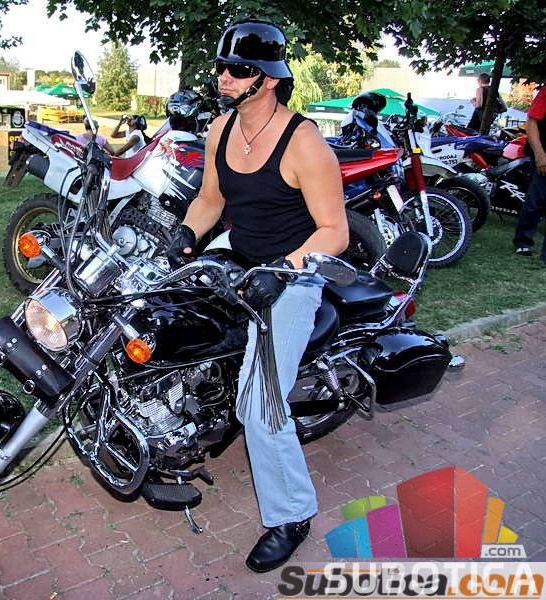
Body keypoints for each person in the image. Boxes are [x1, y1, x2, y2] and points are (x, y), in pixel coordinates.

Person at [166, 19, 348, 572]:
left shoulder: (304, 142)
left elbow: (334, 232)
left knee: (262, 408)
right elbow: (210, 200)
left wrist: (285, 270)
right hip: (237, 253)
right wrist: (187, 232)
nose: (223, 77)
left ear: (267, 79)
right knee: (163, 315)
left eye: (238, 69)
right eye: (220, 67)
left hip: (295, 270)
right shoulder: (221, 129)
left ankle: (292, 514)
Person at [513, 85, 546, 262]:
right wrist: (540, 154)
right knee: (535, 200)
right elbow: (531, 121)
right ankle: (523, 241)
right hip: (544, 155)